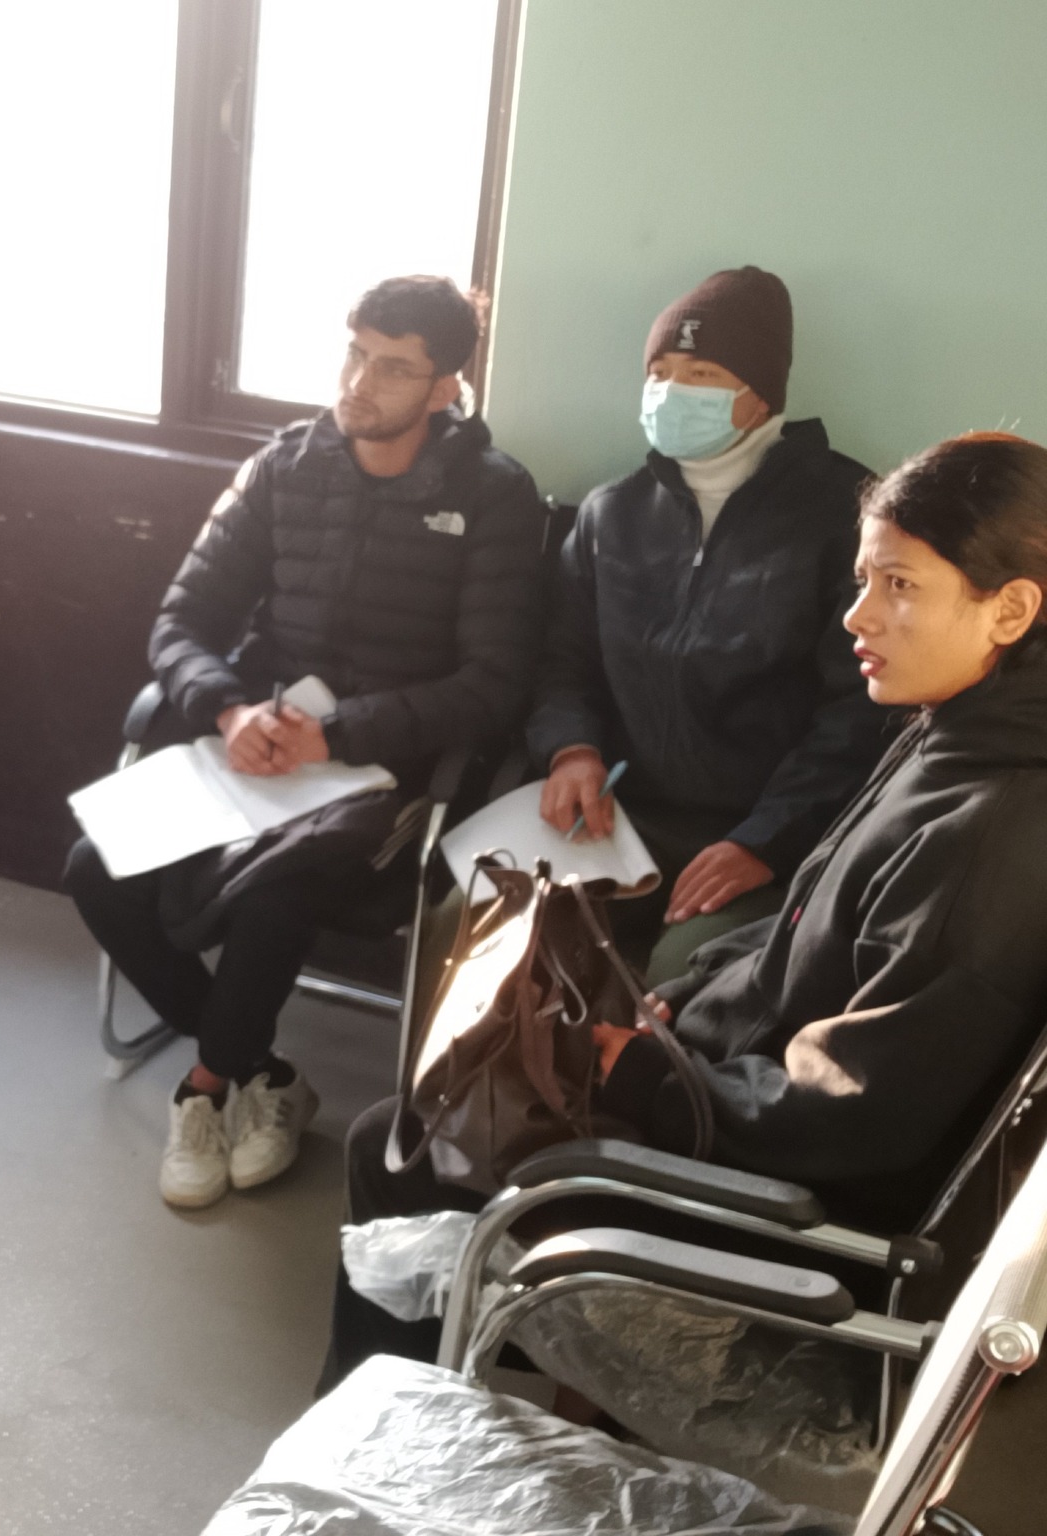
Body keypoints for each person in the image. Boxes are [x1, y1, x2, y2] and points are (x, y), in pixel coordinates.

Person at [326, 432, 1047, 1382]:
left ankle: (398, 1430)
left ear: (1011, 609)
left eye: (900, 585)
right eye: (864, 579)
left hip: (794, 1212)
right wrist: (682, 996)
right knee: (474, 1071)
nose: (857, 614)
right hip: (737, 1096)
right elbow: (812, 919)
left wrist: (643, 1079)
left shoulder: (994, 829)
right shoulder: (955, 730)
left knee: (396, 1146)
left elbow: (860, 1118)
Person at [66, 277, 549, 1211]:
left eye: (394, 367)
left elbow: (492, 686)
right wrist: (228, 713)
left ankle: (206, 1085)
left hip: (384, 771)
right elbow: (181, 622)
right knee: (94, 868)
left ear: (446, 387)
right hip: (258, 741)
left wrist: (339, 734)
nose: (360, 381)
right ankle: (267, 1076)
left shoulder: (494, 495)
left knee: (275, 892)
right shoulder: (285, 465)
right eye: (356, 352)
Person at [528, 267, 885, 986]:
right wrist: (572, 750)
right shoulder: (610, 513)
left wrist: (765, 840)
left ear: (762, 396)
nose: (671, 391)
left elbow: (862, 710)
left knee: (684, 973)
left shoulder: (849, 517)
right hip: (618, 816)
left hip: (765, 830)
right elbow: (563, 660)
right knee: (488, 925)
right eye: (659, 371)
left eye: (702, 374)